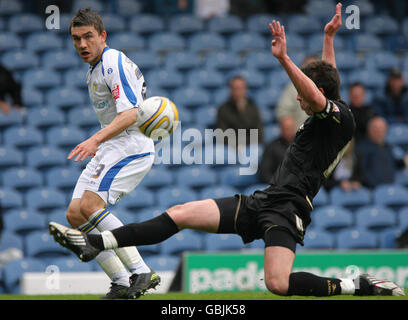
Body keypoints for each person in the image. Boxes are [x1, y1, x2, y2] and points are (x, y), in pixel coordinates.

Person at [49, 4, 405, 297]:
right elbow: (327, 80)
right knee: (180, 213)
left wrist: (284, 59)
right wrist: (329, 37)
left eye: (304, 95)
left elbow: (316, 92)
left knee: (278, 284)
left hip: (289, 209)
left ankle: (353, 286)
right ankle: (99, 243)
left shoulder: (343, 119)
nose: (298, 99)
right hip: (263, 200)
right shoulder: (331, 110)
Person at [59, 8, 160, 299]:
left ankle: (141, 271)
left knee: (90, 206)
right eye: (76, 39)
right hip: (111, 146)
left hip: (131, 145)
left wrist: (94, 140)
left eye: (88, 36)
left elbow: (129, 114)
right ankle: (121, 281)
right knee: (75, 213)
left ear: (103, 36)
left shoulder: (112, 60)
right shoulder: (94, 69)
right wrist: (100, 143)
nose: (82, 44)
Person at [216, 75, 264, 147]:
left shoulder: (253, 108)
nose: (238, 92)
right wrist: (236, 145)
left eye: (240, 88)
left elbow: (259, 134)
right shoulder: (223, 109)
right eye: (235, 89)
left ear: (246, 89)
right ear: (230, 90)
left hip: (250, 146)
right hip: (230, 147)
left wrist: (244, 144)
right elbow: (222, 136)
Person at [357, 116, 402, 188]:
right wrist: (375, 187)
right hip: (372, 190)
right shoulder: (362, 148)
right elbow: (362, 172)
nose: (379, 132)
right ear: (369, 130)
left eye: (382, 129)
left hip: (390, 187)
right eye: (375, 128)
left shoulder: (388, 147)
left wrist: (403, 162)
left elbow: (394, 163)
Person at [275, 56, 316, 130]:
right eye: (308, 68)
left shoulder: (324, 86)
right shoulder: (292, 88)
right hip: (299, 133)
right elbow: (283, 111)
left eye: (314, 69)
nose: (310, 72)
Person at [259, 116, 296, 184]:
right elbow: (264, 172)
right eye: (287, 129)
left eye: (291, 128)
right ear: (281, 129)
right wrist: (276, 185)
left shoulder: (301, 145)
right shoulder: (272, 147)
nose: (289, 131)